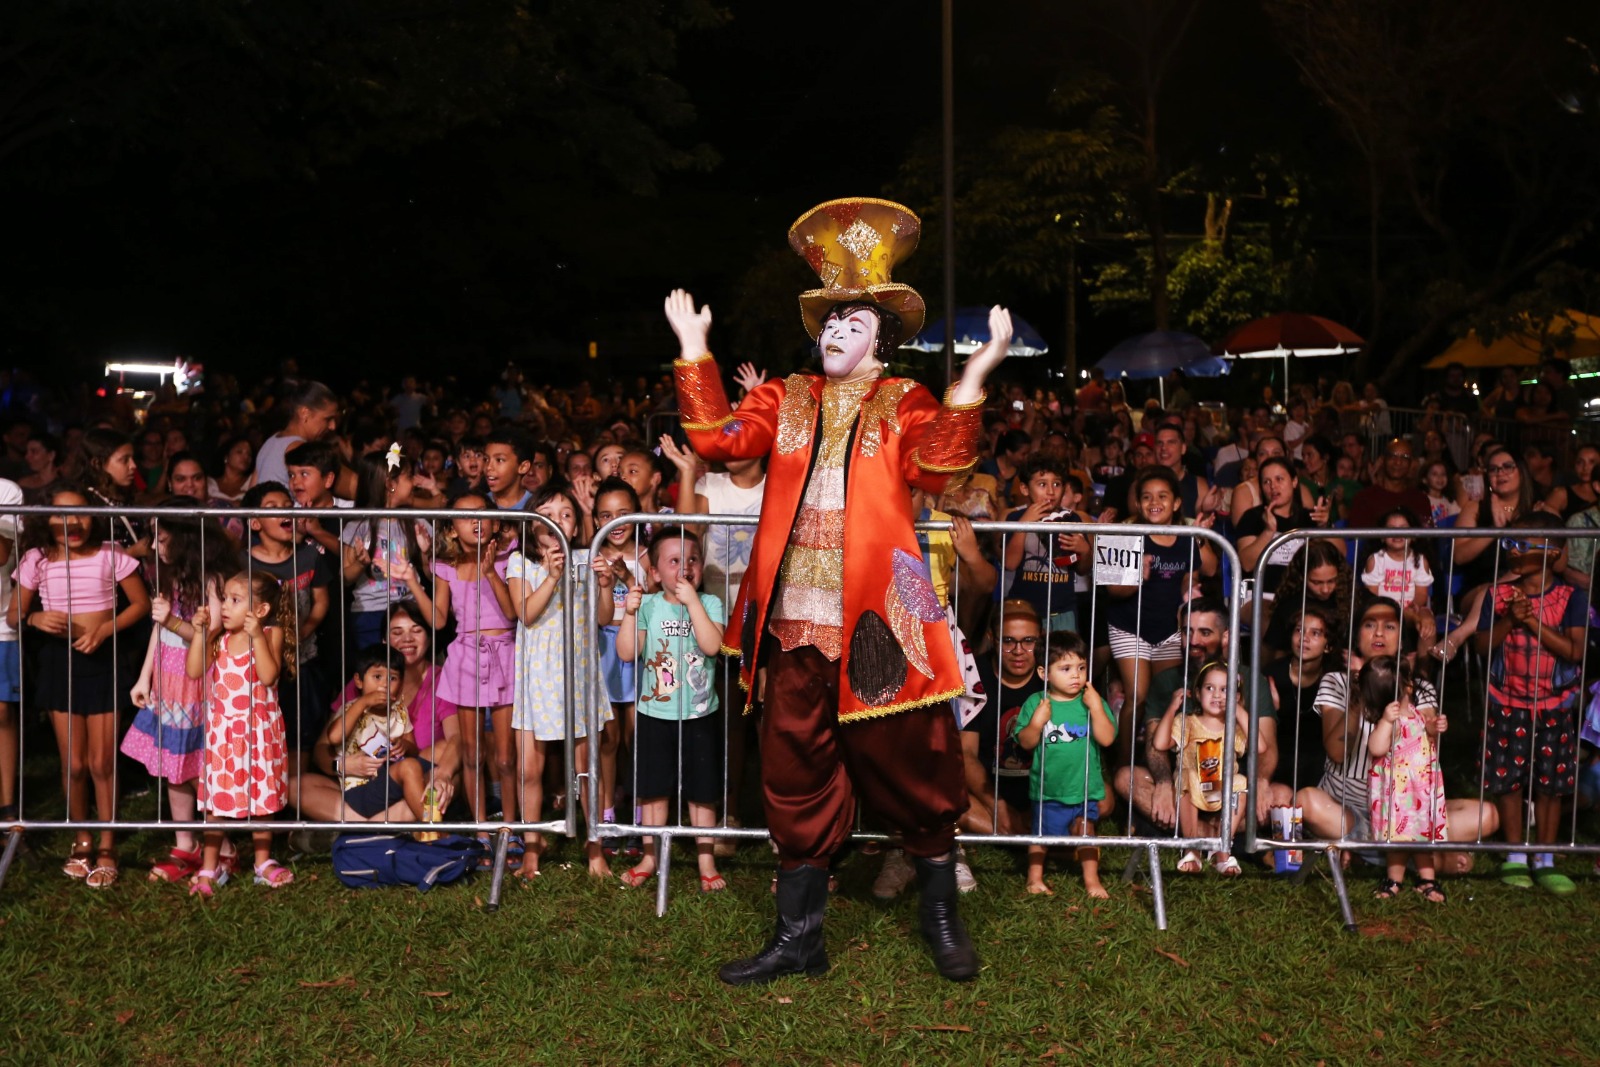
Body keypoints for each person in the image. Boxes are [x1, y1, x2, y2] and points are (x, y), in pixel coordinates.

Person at [667, 197, 1010, 985]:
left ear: (881, 340)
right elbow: (720, 440)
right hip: (791, 625)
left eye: (851, 323)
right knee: (793, 774)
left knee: (914, 769)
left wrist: (976, 375)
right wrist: (694, 350)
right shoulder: (785, 395)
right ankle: (800, 938)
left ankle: (941, 919)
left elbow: (940, 469)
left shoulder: (905, 401)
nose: (834, 333)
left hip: (880, 626)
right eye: (828, 322)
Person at [11, 484, 150, 889]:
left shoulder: (111, 554)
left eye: (80, 514)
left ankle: (108, 845)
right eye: (61, 515)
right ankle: (82, 839)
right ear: (45, 519)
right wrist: (34, 618)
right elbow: (15, 612)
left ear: (94, 518)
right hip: (60, 663)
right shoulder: (37, 559)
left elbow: (140, 604)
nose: (71, 523)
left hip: (103, 661)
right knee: (73, 764)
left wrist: (105, 630)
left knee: (102, 763)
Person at [383, 491, 517, 853]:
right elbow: (439, 619)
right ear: (453, 529)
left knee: (505, 756)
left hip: (504, 653)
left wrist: (490, 574)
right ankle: (482, 831)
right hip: (466, 658)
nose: (476, 521)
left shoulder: (508, 555)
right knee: (472, 753)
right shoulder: (445, 565)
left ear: (494, 522)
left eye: (482, 514)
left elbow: (511, 613)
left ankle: (510, 829)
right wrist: (413, 580)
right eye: (465, 516)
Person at [1471, 524, 1588, 894]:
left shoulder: (1572, 597)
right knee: (1508, 780)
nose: (1512, 550)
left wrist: (1531, 622)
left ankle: (1545, 858)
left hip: (1554, 706)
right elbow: (1481, 645)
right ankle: (1515, 854)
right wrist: (1510, 619)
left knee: (1550, 784)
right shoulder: (1498, 594)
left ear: (1551, 553)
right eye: (1510, 543)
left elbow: (1574, 651)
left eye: (1522, 544)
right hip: (1507, 703)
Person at [507, 484, 616, 879]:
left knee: (587, 768)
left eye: (565, 515)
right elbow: (526, 613)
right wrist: (552, 577)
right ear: (532, 523)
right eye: (547, 514)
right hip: (537, 676)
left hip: (578, 673)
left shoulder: (588, 558)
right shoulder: (521, 561)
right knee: (530, 769)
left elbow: (603, 618)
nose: (556, 522)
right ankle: (532, 851)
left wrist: (605, 586)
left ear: (575, 526)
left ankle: (595, 849)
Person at [124, 509, 238, 883]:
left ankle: (221, 846)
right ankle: (184, 843)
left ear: (185, 539)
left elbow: (210, 633)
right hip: (168, 682)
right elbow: (159, 633)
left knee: (196, 767)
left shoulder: (213, 581)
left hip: (197, 683)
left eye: (161, 539)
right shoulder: (174, 578)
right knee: (172, 765)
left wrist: (171, 620)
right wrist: (144, 677)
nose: (154, 546)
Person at [616, 527, 727, 892]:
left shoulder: (710, 604)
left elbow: (712, 647)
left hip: (699, 715)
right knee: (653, 791)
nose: (685, 568)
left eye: (692, 559)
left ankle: (706, 860)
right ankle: (650, 857)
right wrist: (629, 614)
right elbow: (627, 653)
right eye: (674, 561)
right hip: (655, 714)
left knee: (702, 792)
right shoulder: (648, 606)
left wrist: (693, 603)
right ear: (654, 572)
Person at [184, 572, 294, 895]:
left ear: (260, 610)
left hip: (259, 732)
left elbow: (269, 675)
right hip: (224, 735)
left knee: (262, 799)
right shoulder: (218, 638)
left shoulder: (270, 633)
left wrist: (257, 636)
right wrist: (199, 633)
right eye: (225, 599)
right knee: (216, 803)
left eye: (235, 600)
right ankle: (210, 866)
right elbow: (193, 670)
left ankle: (262, 862)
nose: (225, 607)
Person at [1104, 468, 1218, 763]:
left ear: (1176, 503)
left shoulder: (1187, 536)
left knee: (1167, 697)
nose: (1154, 502)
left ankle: (1161, 764)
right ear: (1138, 504)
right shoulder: (1124, 535)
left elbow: (1205, 571)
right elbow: (1113, 592)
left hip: (1169, 629)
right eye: (1146, 497)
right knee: (1138, 697)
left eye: (1162, 496)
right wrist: (1137, 578)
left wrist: (1200, 541)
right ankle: (1124, 766)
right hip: (1128, 627)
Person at [1010, 633, 1115, 898]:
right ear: (1044, 673)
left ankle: (1092, 881)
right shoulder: (1037, 702)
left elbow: (1107, 738)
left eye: (1081, 667)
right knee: (1041, 837)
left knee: (1086, 830)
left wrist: (1097, 708)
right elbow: (1026, 742)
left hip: (1084, 787)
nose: (1076, 675)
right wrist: (1036, 722)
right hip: (1048, 789)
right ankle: (1034, 878)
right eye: (1066, 669)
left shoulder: (1091, 701)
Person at [240, 482, 333, 750]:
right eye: (273, 508)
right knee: (264, 735)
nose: (284, 511)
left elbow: (321, 601)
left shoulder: (309, 556)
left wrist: (303, 632)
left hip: (302, 660)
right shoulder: (243, 562)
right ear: (255, 523)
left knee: (301, 735)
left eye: (287, 506)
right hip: (258, 664)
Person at [1152, 659, 1256, 876]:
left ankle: (1222, 850)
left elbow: (1260, 746)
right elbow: (1160, 743)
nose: (1217, 695)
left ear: (1235, 696)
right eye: (1210, 688)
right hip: (1192, 788)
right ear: (1198, 693)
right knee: (1188, 775)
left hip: (1221, 789)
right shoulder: (1188, 722)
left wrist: (1237, 708)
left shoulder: (1234, 729)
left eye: (1225, 690)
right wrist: (1172, 707)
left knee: (1241, 782)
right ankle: (1191, 848)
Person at [1358, 656, 1448, 903]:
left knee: (1422, 837)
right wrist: (1386, 721)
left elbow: (1425, 734)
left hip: (1421, 790)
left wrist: (1435, 727)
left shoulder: (1416, 714)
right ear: (1407, 686)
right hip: (1398, 796)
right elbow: (1376, 747)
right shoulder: (1390, 722)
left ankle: (1427, 879)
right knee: (1397, 840)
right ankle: (1394, 879)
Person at [322, 650, 434, 824]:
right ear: (359, 681)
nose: (384, 685)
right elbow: (334, 738)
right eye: (377, 677)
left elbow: (413, 750)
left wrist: (404, 745)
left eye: (392, 678)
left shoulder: (399, 711)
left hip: (391, 779)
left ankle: (428, 823)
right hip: (361, 790)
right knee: (410, 767)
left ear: (401, 684)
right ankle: (433, 827)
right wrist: (364, 702)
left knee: (429, 766)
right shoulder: (351, 708)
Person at [340, 449, 428, 655]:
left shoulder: (418, 522)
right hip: (370, 613)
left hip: (410, 610)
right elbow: (345, 578)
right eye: (409, 477)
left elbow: (432, 574)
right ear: (390, 484)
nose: (414, 483)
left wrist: (427, 553)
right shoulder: (357, 526)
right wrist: (360, 563)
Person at [1002, 455, 1091, 634]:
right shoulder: (1015, 517)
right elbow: (1010, 563)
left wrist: (1085, 550)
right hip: (1024, 609)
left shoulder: (1073, 518)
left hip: (1063, 610)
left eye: (1057, 484)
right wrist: (1024, 523)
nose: (1051, 491)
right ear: (1025, 489)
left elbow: (1083, 569)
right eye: (1042, 484)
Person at [1359, 508, 1437, 650]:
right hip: (1383, 610)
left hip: (1412, 608)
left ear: (1413, 536)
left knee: (1427, 624)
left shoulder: (1420, 560)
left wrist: (1414, 606)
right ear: (1382, 537)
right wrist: (1396, 610)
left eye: (1403, 528)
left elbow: (1421, 593)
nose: (1397, 533)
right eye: (1391, 529)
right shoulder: (1376, 560)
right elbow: (1372, 595)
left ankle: (1424, 663)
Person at [254, 380, 341, 490]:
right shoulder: (301, 450)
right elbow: (354, 486)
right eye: (328, 419)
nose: (332, 426)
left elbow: (252, 491)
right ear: (305, 413)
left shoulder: (269, 443)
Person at [1346, 439, 1431, 530]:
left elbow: (1426, 535)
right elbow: (1357, 537)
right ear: (1383, 460)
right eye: (1393, 456)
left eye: (1404, 457)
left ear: (1411, 464)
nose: (1398, 462)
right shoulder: (1364, 498)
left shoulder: (1420, 500)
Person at [0, 478, 20, 825]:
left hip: (1, 624)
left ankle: (6, 808)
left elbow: (1, 555)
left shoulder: (7, 491)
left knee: (1, 713)